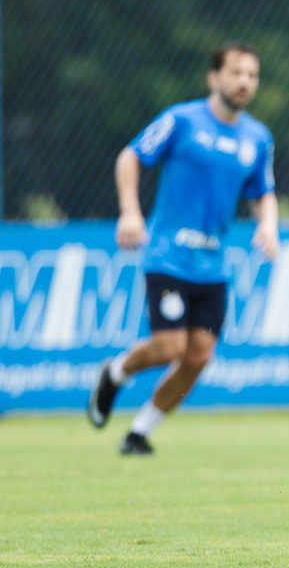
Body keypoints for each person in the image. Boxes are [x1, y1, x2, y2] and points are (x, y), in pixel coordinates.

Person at [87, 44, 278, 454]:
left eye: (251, 75)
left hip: (213, 265)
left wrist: (268, 226)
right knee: (169, 347)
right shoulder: (181, 121)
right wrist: (130, 212)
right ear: (214, 78)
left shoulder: (257, 138)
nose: (244, 81)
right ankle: (116, 371)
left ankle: (139, 432)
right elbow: (130, 157)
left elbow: (263, 192)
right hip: (168, 256)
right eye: (235, 73)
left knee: (198, 356)